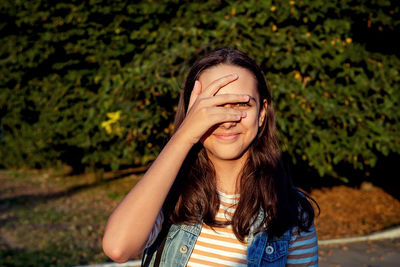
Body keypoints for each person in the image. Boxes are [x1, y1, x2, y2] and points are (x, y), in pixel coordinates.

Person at [102, 47, 319, 266]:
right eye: (213, 105)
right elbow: (118, 248)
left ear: (262, 113)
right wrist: (185, 134)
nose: (227, 119)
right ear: (192, 113)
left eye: (242, 104)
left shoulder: (291, 212)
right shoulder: (168, 197)